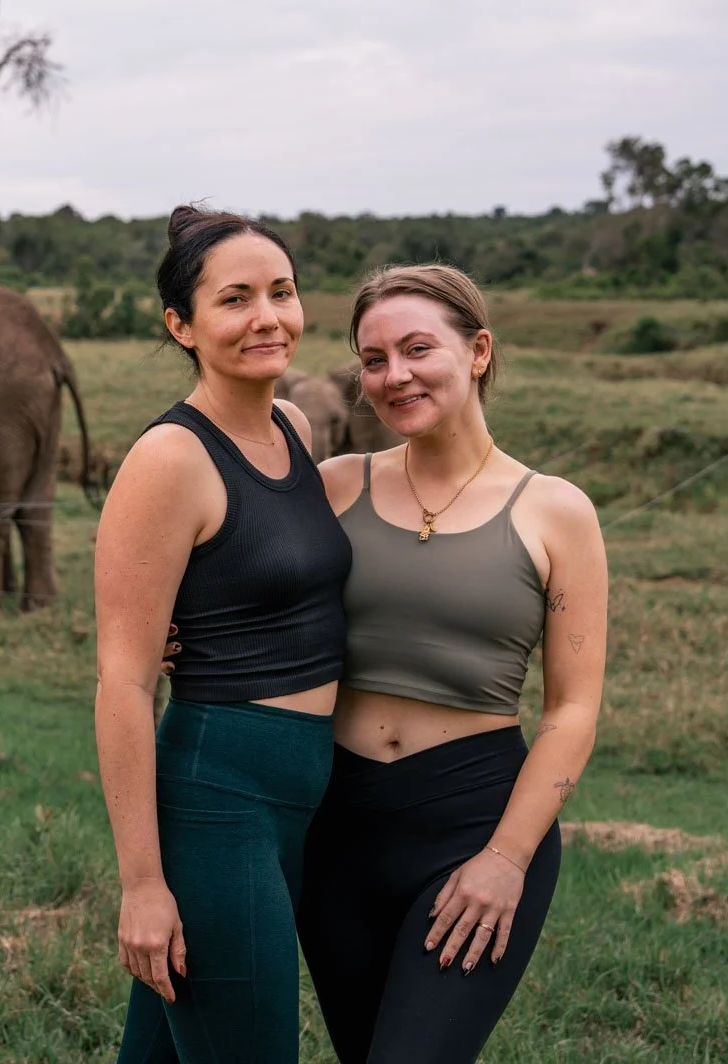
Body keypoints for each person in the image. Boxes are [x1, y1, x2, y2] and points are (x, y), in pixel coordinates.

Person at [296, 263, 608, 1064]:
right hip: (335, 829)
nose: (393, 376)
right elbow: (243, 600)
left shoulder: (554, 510)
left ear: (477, 351)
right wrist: (176, 637)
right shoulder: (331, 489)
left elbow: (573, 709)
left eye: (416, 349)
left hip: (473, 826)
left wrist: (506, 860)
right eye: (373, 359)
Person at [95, 205, 353, 1064]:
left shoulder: (294, 430)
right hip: (220, 796)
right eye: (235, 299)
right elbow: (124, 680)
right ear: (182, 325)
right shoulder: (170, 458)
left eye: (281, 292)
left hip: (304, 793)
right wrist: (142, 885)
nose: (267, 318)